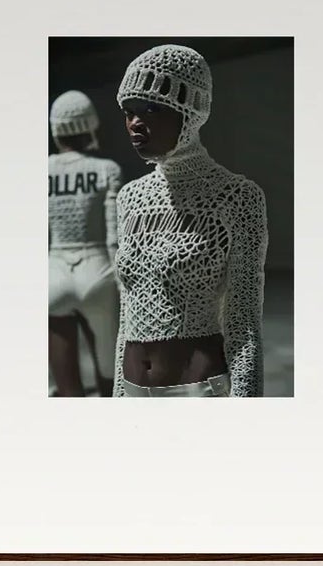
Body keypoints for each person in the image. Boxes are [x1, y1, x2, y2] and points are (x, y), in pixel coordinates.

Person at [111, 45, 267, 398]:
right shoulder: (129, 198)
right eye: (129, 112)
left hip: (197, 390)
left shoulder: (236, 197)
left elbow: (243, 323)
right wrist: (117, 394)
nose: (135, 123)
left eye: (152, 108)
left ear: (191, 111)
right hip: (133, 389)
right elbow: (126, 316)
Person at [46, 89, 122, 397]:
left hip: (54, 272)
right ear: (89, 125)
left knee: (67, 391)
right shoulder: (107, 169)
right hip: (98, 271)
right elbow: (114, 236)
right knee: (110, 375)